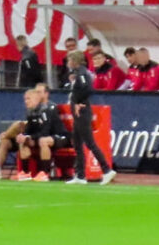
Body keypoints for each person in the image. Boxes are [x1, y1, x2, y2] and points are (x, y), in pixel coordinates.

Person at [63, 50, 114, 185]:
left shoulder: (82, 73)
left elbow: (88, 88)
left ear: (74, 61)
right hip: (78, 112)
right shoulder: (78, 73)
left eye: (69, 60)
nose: (68, 63)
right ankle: (80, 175)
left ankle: (107, 170)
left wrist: (79, 102)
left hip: (83, 111)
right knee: (78, 143)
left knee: (89, 142)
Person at [15, 83, 61, 181]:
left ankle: (44, 173)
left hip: (58, 136)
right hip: (41, 136)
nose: (26, 102)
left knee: (43, 140)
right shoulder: (31, 111)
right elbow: (29, 130)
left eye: (28, 99)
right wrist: (25, 136)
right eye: (25, 99)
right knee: (23, 140)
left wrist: (31, 137)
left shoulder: (47, 110)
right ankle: (25, 172)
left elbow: (45, 131)